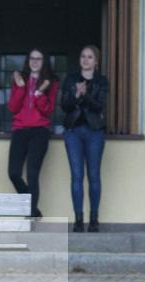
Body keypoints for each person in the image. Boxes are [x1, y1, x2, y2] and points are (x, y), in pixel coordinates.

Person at [60, 45, 108, 233]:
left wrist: (85, 94)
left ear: (96, 62)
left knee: (94, 176)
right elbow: (64, 106)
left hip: (94, 131)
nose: (86, 60)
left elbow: (99, 106)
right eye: (83, 56)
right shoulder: (71, 79)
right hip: (73, 131)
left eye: (90, 57)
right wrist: (76, 94)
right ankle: (78, 219)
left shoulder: (101, 81)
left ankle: (94, 219)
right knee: (77, 176)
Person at [7, 49, 59, 218]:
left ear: (44, 62)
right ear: (27, 60)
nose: (35, 61)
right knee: (13, 172)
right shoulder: (19, 79)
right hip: (20, 130)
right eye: (32, 58)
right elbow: (13, 108)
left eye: (39, 59)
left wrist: (38, 94)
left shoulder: (50, 81)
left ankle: (30, 215)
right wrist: (21, 88)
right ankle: (33, 209)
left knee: (32, 174)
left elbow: (48, 110)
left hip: (39, 131)